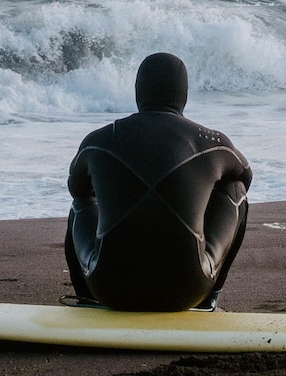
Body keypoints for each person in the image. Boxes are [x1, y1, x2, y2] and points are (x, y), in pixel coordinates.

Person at [65, 52, 253, 312]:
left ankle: (86, 298)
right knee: (236, 190)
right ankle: (209, 299)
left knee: (80, 203)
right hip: (187, 290)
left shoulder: (99, 139)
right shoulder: (209, 141)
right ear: (184, 94)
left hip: (109, 288)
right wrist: (196, 187)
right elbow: (246, 175)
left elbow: (76, 188)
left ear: (138, 91)